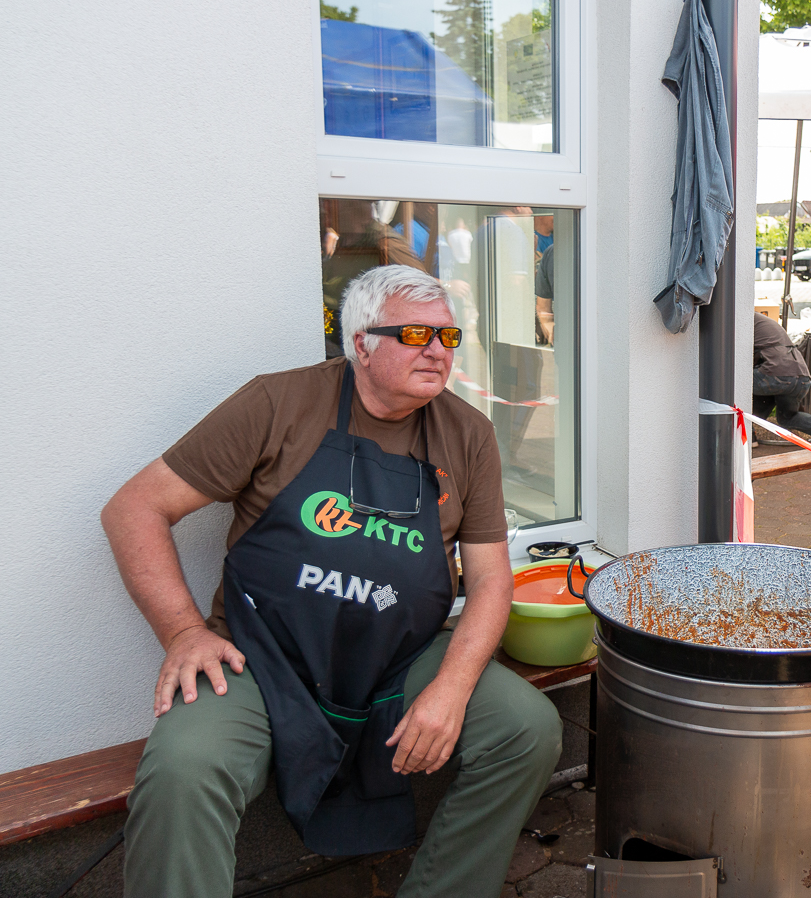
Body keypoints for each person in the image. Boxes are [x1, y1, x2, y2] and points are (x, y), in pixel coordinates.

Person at [102, 266, 562, 897]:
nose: (437, 350)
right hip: (264, 656)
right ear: (361, 344)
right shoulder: (278, 404)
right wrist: (183, 632)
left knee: (527, 730)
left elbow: (489, 582)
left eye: (448, 337)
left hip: (399, 659)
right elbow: (134, 508)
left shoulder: (468, 434)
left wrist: (453, 687)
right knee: (184, 768)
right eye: (415, 334)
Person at [752, 312, 811, 444]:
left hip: (775, 375)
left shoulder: (740, 319)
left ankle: (747, 434)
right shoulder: (761, 321)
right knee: (787, 417)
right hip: (801, 376)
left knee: (734, 382)